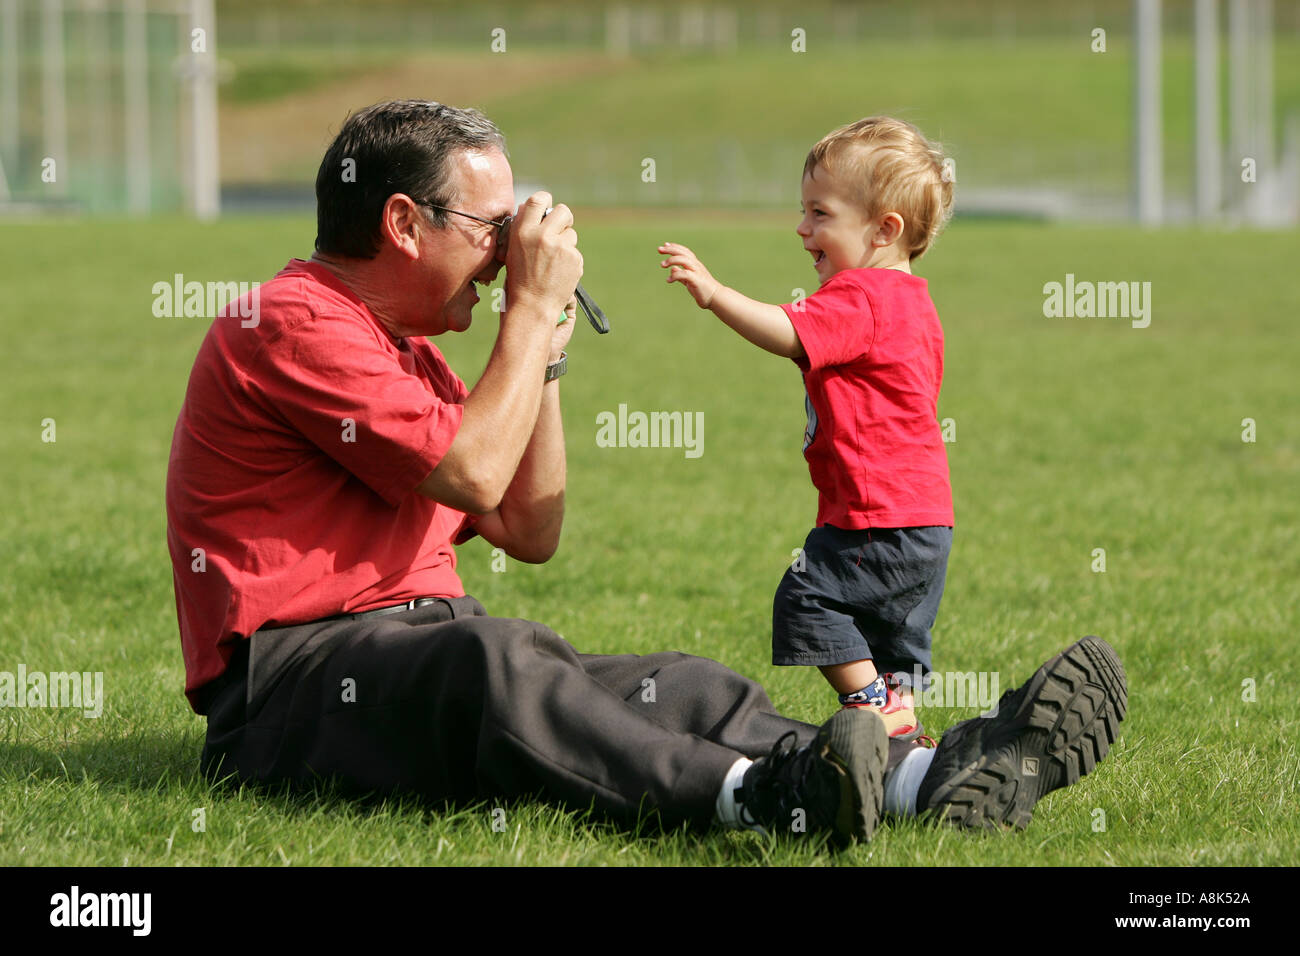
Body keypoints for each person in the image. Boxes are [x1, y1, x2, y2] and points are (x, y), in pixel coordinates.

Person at [165, 100, 1124, 850]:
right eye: (491, 229)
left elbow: (528, 532)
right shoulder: (293, 321)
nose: (507, 256)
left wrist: (540, 357)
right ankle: (762, 800)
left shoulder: (405, 352)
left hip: (416, 651)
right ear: (405, 223)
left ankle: (929, 778)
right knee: (495, 663)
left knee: (681, 685)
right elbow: (466, 470)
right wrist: (528, 316)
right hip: (290, 693)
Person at [659, 117, 955, 743]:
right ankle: (902, 736)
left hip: (874, 517)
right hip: (927, 519)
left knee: (807, 598)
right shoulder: (916, 303)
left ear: (884, 229)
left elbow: (788, 331)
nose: (802, 228)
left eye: (820, 213)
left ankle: (874, 710)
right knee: (886, 632)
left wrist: (714, 294)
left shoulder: (862, 297)